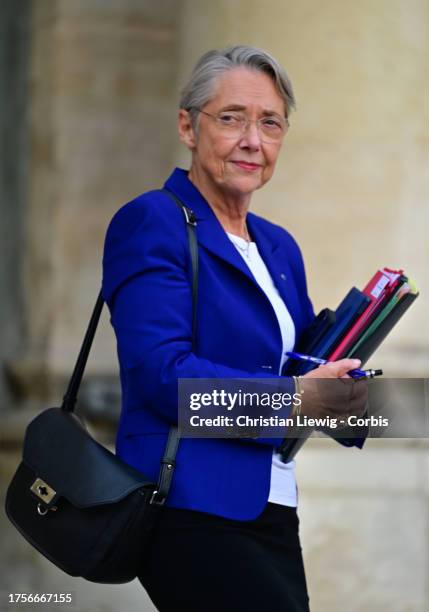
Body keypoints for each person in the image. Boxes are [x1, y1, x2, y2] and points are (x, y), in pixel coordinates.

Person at [101, 45, 368, 612]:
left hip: (270, 505)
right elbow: (164, 379)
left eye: (270, 123)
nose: (253, 140)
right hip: (188, 507)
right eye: (231, 118)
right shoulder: (153, 221)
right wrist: (295, 400)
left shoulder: (277, 246)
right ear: (187, 127)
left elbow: (296, 365)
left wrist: (350, 392)